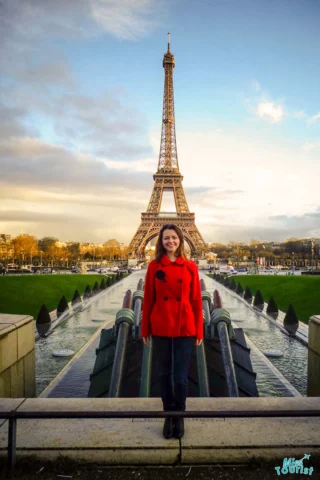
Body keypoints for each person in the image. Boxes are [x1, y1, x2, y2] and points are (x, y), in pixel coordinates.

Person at [141, 224, 203, 439]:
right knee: (164, 374)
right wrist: (144, 329)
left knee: (181, 376)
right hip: (161, 325)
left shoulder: (191, 267)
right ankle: (169, 413)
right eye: (166, 238)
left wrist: (200, 332)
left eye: (174, 237)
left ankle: (179, 414)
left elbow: (196, 300)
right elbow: (148, 299)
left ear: (180, 240)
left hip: (185, 325)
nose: (171, 241)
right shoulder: (153, 266)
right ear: (161, 241)